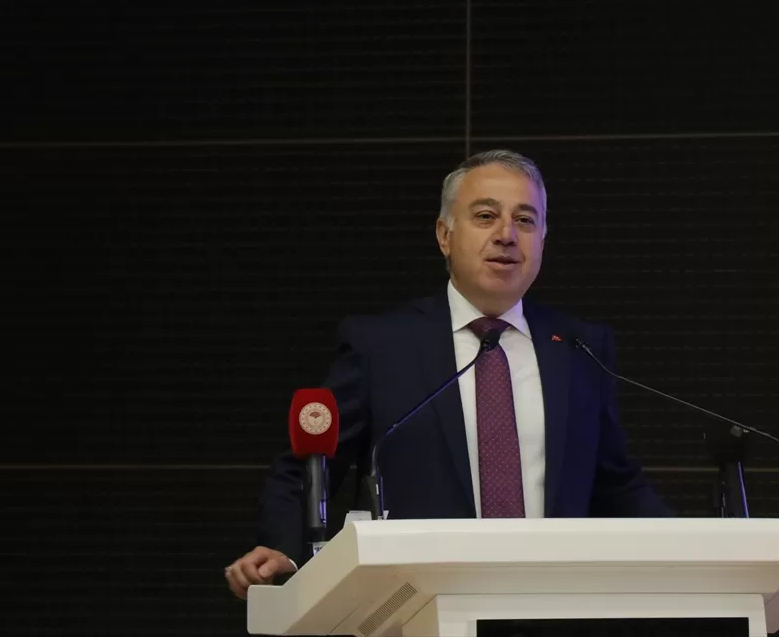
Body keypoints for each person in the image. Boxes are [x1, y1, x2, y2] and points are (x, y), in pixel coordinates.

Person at [225, 149, 671, 599]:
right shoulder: (381, 346)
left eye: (525, 220)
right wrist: (285, 549)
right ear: (444, 235)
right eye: (485, 216)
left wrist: (692, 544)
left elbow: (614, 480)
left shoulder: (578, 347)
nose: (506, 235)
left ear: (542, 239)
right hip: (418, 604)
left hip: (550, 604)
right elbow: (309, 467)